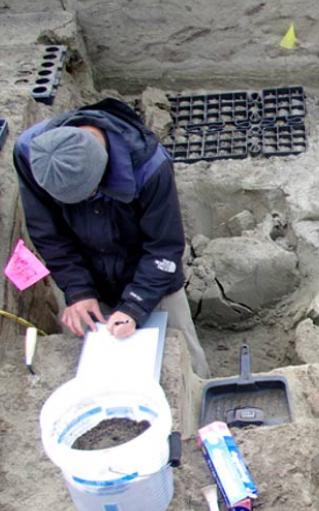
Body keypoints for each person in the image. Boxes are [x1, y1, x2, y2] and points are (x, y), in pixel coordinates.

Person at [13, 98, 209, 377]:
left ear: (102, 171)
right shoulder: (31, 154)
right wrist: (78, 290)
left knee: (183, 356)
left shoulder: (149, 165)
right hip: (86, 267)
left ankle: (198, 394)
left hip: (149, 268)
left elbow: (164, 246)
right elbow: (48, 233)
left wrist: (135, 305)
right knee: (95, 359)